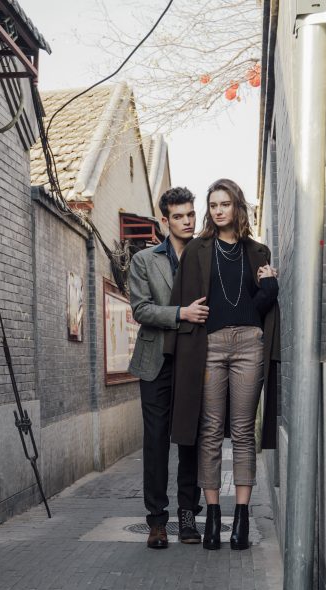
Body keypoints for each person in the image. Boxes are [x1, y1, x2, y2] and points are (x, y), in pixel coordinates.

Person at [167, 179, 280, 550]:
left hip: (249, 344)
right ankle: (213, 518)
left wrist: (269, 288)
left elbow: (257, 307)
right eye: (213, 205)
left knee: (243, 430)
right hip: (211, 346)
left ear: (237, 207)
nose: (218, 211)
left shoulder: (258, 251)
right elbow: (182, 301)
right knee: (211, 430)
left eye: (225, 204)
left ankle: (242, 518)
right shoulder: (197, 250)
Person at [127, 187, 207, 548]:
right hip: (155, 361)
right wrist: (181, 313)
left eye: (190, 214)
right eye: (178, 216)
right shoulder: (144, 260)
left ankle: (188, 517)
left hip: (193, 359)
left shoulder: (205, 254)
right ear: (164, 221)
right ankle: (157, 521)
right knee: (156, 442)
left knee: (190, 439)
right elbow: (141, 309)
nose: (187, 221)